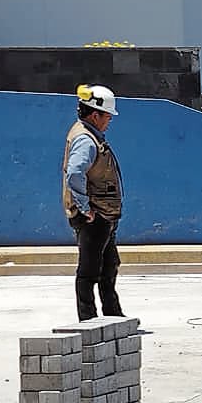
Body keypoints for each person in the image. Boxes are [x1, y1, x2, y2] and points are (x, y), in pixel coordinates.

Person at [62, 84, 125, 321]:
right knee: (89, 270)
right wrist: (85, 207)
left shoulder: (90, 136)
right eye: (107, 116)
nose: (110, 121)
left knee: (109, 265)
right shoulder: (85, 140)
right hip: (94, 216)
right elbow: (74, 173)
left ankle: (112, 314)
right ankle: (88, 319)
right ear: (95, 115)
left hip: (103, 215)